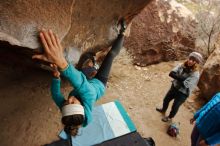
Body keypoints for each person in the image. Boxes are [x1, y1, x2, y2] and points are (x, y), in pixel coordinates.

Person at [32, 20, 127, 136]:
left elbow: (56, 95)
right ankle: (123, 33)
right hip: (99, 84)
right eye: (73, 103)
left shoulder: (67, 107)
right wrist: (62, 64)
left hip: (87, 82)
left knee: (84, 63)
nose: (69, 100)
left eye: (67, 103)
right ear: (82, 106)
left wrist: (56, 78)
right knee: (110, 55)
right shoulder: (89, 96)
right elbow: (81, 84)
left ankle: (92, 65)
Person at [156, 52, 203, 122]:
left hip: (182, 93)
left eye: (193, 60)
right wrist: (182, 78)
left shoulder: (195, 74)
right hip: (174, 87)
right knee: (166, 99)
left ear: (196, 63)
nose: (190, 61)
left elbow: (186, 84)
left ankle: (169, 117)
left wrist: (177, 77)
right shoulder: (182, 65)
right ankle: (163, 109)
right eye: (190, 59)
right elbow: (171, 73)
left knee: (175, 106)